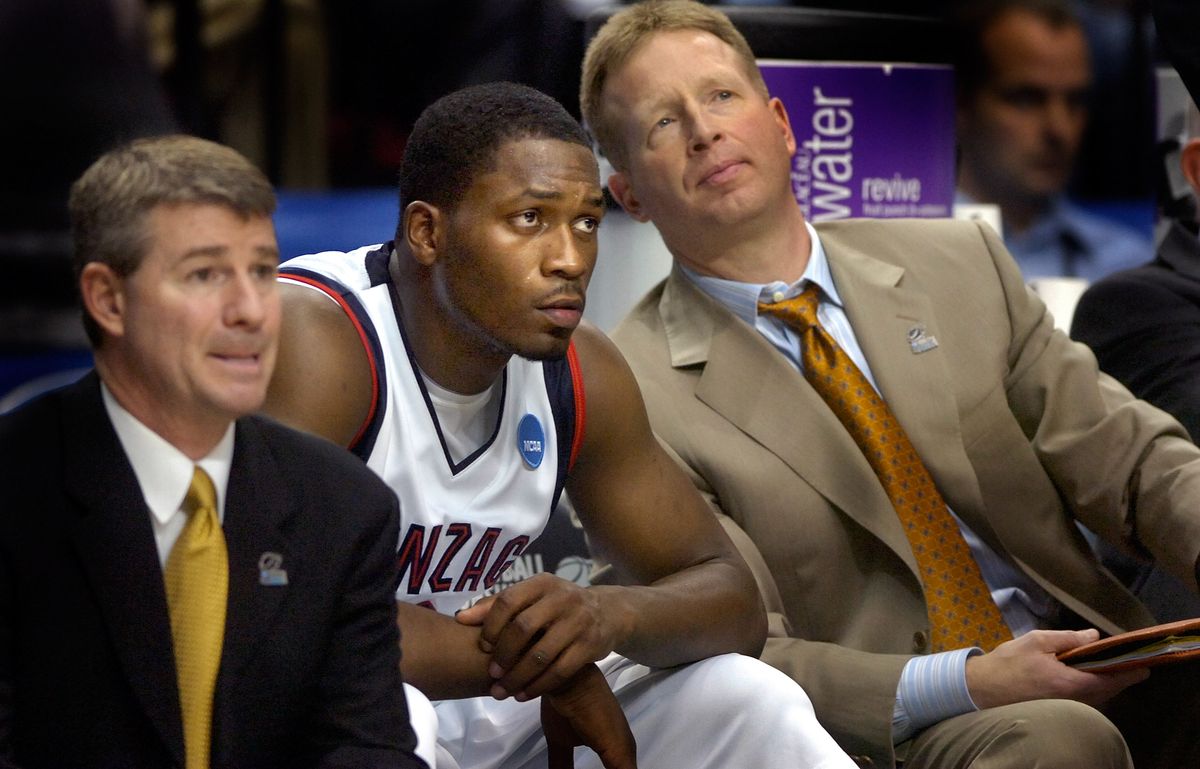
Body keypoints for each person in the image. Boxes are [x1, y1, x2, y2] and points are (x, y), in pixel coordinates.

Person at [581, 1, 1200, 767]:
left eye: (719, 96)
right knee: (1060, 743)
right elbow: (735, 654)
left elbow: (1129, 457)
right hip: (893, 728)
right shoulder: (626, 393)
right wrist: (968, 681)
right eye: (662, 124)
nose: (704, 130)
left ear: (782, 123)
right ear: (629, 196)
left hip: (1090, 657)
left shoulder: (956, 260)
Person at [262, 81, 854, 769]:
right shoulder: (320, 341)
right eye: (529, 219)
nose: (569, 259)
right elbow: (291, 612)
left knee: (747, 696)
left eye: (586, 221)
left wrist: (605, 617)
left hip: (494, 697)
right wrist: (560, 666)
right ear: (428, 232)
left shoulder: (579, 369)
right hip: (329, 708)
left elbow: (730, 598)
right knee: (399, 717)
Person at [0, 135, 425, 769]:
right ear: (108, 300)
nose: (252, 310)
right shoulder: (16, 491)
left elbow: (365, 749)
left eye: (261, 270)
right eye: (205, 275)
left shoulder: (341, 507)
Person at [953, 0, 1149, 281]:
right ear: (960, 103)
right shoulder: (901, 248)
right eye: (1026, 99)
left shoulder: (1128, 266)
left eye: (1075, 101)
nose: (1059, 129)